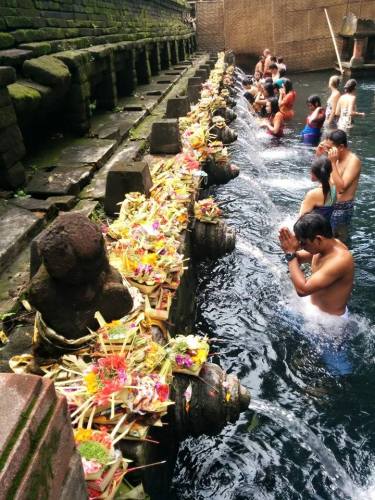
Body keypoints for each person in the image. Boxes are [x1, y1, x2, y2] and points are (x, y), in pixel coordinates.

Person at [279, 212, 354, 317]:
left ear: (318, 239)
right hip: (314, 310)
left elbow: (302, 290)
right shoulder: (326, 246)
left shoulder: (340, 260)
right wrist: (290, 247)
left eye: (304, 243)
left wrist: (290, 254)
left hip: (330, 323)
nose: (302, 246)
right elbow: (298, 258)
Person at [316, 129, 361, 242]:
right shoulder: (333, 157)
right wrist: (319, 155)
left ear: (341, 147)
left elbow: (341, 188)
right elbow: (317, 178)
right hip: (327, 204)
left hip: (342, 208)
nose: (328, 151)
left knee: (338, 241)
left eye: (329, 148)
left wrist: (332, 162)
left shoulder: (353, 161)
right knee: (321, 238)